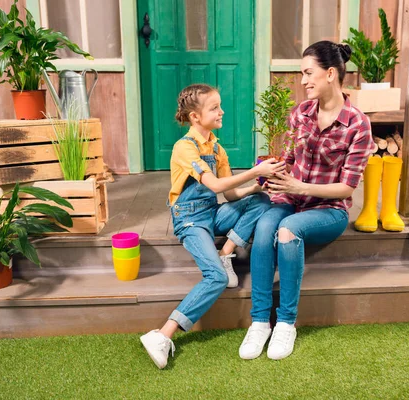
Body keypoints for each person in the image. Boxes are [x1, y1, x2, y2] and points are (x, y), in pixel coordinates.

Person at [239, 41, 374, 361]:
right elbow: (286, 158)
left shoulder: (358, 123)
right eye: (303, 74)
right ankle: (260, 321)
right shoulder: (300, 113)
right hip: (290, 197)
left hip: (329, 209)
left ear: (330, 74)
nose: (303, 80)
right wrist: (259, 179)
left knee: (286, 230)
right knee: (265, 226)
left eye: (308, 73)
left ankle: (285, 322)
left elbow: (346, 188)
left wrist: (300, 187)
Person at [140, 83, 285, 369]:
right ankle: (162, 334)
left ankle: (226, 252)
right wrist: (255, 170)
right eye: (214, 107)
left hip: (212, 212)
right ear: (195, 117)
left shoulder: (216, 147)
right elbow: (216, 185)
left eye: (220, 105)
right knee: (216, 278)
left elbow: (229, 195)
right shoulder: (185, 148)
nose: (222, 111)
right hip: (190, 219)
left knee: (261, 201)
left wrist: (258, 185)